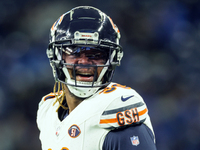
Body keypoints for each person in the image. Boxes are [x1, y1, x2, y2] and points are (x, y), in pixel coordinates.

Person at [36, 6, 157, 150]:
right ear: (56, 56)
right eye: (74, 52)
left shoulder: (117, 109)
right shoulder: (48, 109)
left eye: (95, 54)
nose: (84, 62)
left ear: (112, 59)